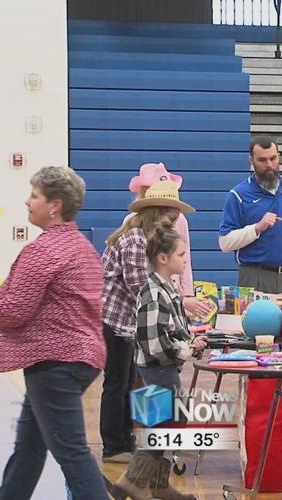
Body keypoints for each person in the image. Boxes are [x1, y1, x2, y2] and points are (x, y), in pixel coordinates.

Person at [0, 166, 108, 499]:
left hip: (56, 363)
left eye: (34, 195)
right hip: (77, 359)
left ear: (55, 205)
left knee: (72, 454)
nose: (27, 202)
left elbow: (11, 313)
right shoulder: (80, 247)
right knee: (29, 450)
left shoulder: (44, 250)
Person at [100, 180, 195, 464]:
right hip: (114, 321)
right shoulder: (134, 241)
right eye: (170, 218)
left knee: (129, 381)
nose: (173, 225)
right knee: (117, 382)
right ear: (155, 213)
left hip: (130, 323)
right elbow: (141, 287)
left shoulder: (146, 240)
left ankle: (127, 439)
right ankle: (114, 446)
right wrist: (180, 304)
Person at [112, 224, 206, 500]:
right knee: (164, 423)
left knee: (172, 421)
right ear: (163, 258)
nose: (185, 259)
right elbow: (154, 343)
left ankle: (156, 482)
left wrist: (191, 343)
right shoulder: (153, 293)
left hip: (164, 366)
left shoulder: (168, 289)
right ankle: (134, 481)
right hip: (156, 368)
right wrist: (185, 350)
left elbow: (172, 331)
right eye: (180, 254)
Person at [219, 136, 282, 294]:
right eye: (262, 160)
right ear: (251, 160)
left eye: (273, 158)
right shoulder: (238, 195)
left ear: (279, 156)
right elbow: (225, 243)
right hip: (255, 276)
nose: (269, 165)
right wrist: (257, 228)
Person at [127, 162, 212, 319]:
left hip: (171, 291)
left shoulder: (180, 220)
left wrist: (187, 295)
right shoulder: (133, 231)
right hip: (150, 300)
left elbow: (184, 257)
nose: (172, 223)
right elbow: (139, 284)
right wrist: (179, 301)